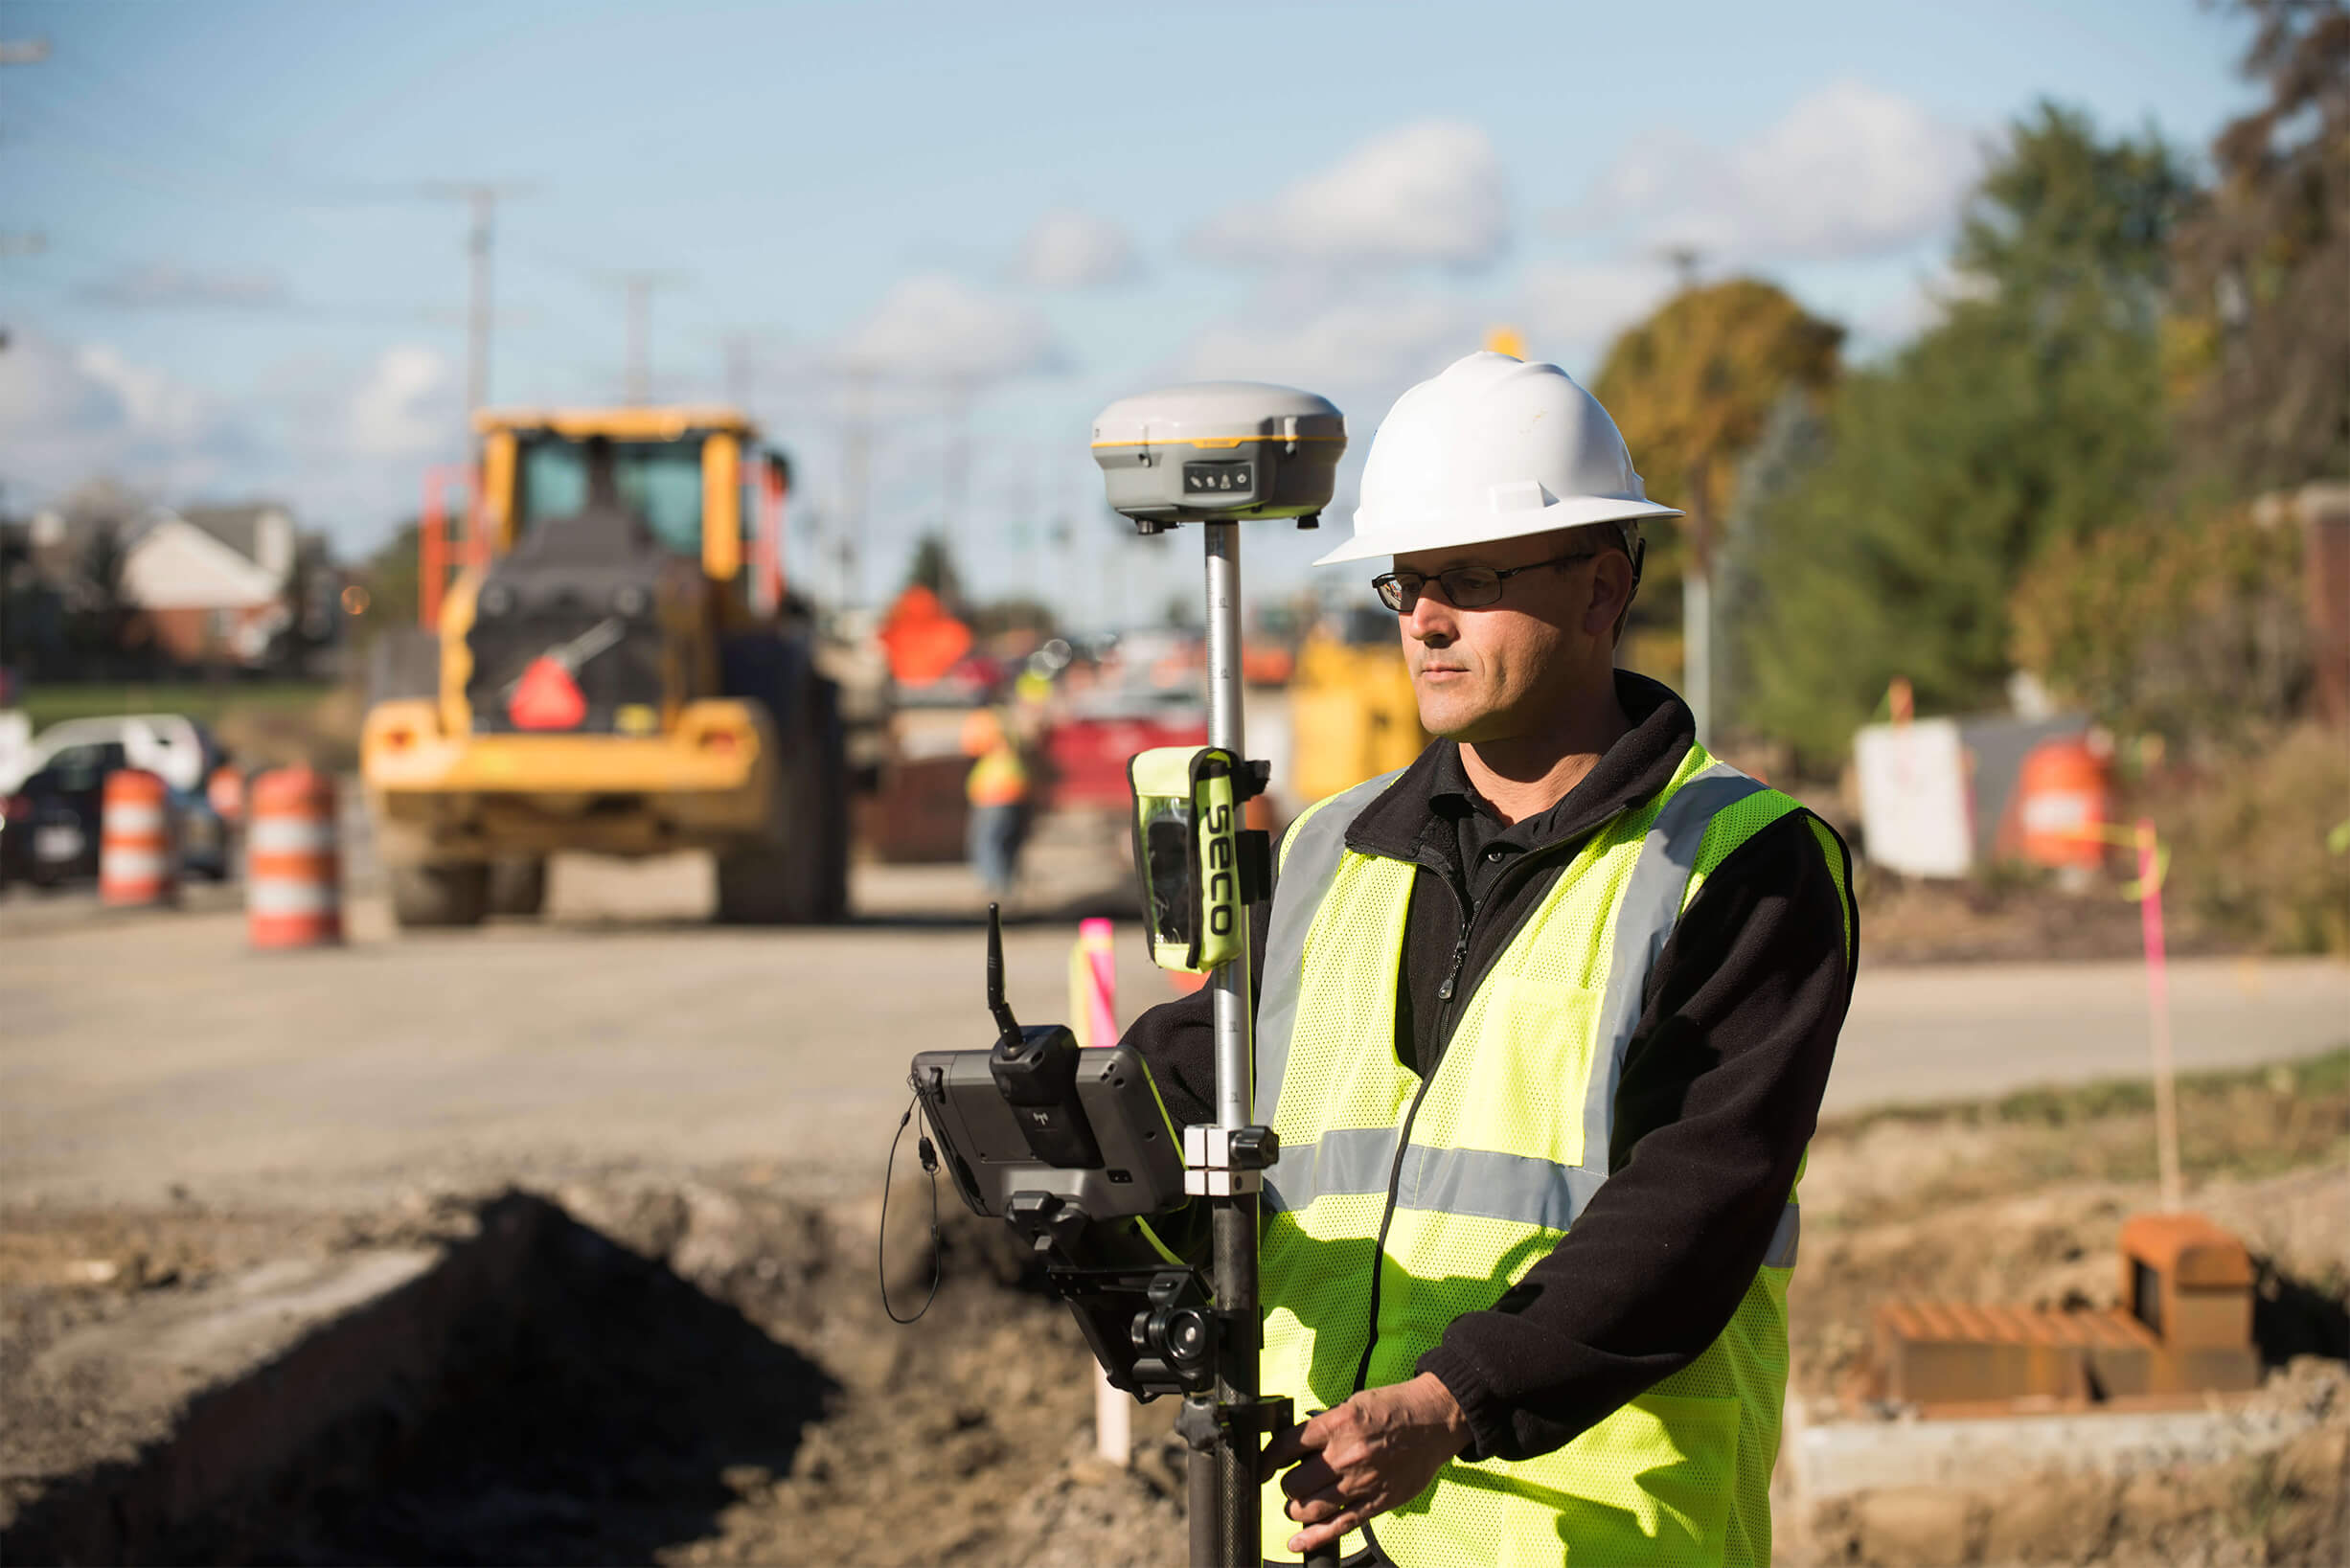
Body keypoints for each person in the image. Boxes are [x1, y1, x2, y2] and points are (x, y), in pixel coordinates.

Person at [1122, 352, 1857, 1566]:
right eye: (1405, 581)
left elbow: (1694, 1199)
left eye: (1468, 577)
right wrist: (1073, 1131)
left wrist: (1451, 1400)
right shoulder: (1325, 850)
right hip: (1322, 1529)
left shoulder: (1739, 863)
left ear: (1600, 589)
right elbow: (1217, 1083)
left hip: (1592, 1536)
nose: (1421, 618)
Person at [962, 694, 1032, 900]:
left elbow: (971, 747)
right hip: (1018, 785)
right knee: (1008, 841)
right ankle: (1009, 885)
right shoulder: (1006, 716)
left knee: (987, 841)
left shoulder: (982, 718)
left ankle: (995, 888)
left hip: (993, 790)